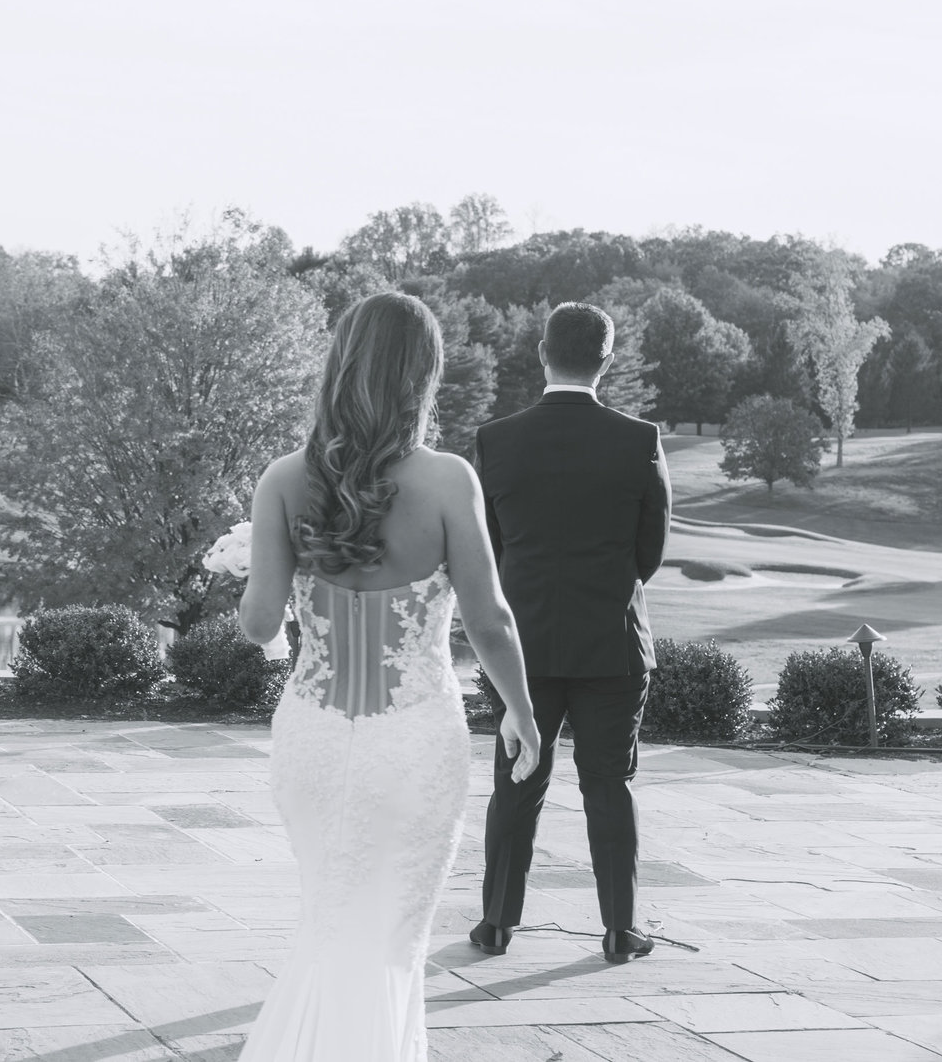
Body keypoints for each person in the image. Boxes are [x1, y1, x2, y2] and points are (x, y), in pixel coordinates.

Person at [237, 291, 542, 1061]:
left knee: (326, 917)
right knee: (386, 935)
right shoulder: (447, 481)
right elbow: (491, 621)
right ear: (423, 376)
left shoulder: (282, 479)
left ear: (340, 367)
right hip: (411, 738)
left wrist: (254, 562)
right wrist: (524, 714)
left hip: (310, 734)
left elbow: (259, 625)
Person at [469, 301, 670, 964]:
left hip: (521, 648)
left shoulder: (496, 439)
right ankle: (619, 929)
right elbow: (651, 553)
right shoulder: (639, 440)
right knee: (609, 784)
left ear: (540, 352)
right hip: (611, 642)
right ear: (607, 359)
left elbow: (494, 552)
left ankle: (496, 922)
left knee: (516, 780)